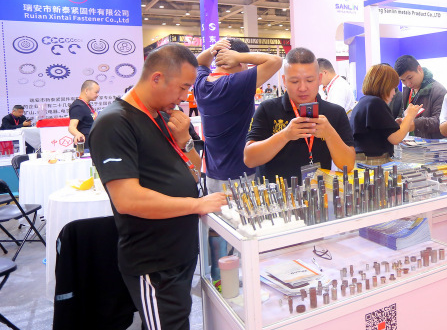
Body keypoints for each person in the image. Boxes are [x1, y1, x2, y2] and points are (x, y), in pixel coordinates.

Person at [88, 43, 227, 329]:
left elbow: (194, 175)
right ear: (156, 78)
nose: (184, 97)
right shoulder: (115, 122)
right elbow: (127, 199)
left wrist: (184, 142)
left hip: (180, 252)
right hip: (154, 261)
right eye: (182, 87)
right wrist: (197, 205)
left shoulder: (164, 115)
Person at [244, 47, 355, 181]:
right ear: (285, 81)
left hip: (317, 191)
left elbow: (348, 165)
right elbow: (249, 159)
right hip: (276, 192)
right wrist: (285, 135)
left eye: (309, 80)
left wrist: (329, 134)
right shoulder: (267, 109)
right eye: (295, 81)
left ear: (319, 79)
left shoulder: (335, 112)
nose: (302, 88)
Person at [194, 38, 282, 193]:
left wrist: (213, 49)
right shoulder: (234, 84)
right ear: (239, 62)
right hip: (241, 175)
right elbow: (276, 61)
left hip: (212, 175)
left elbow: (199, 63)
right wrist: (240, 56)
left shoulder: (201, 84)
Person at [351, 64, 422, 165]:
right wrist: (409, 116)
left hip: (362, 160)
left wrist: (394, 125)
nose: (394, 93)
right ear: (385, 86)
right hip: (373, 161)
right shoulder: (376, 103)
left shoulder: (364, 102)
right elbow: (396, 138)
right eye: (393, 88)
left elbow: (378, 131)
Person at [394, 55, 447, 139]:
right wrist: (401, 121)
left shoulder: (438, 90)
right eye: (403, 80)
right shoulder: (407, 91)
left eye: (410, 78)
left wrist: (415, 124)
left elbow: (441, 122)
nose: (408, 83)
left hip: (433, 144)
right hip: (411, 143)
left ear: (419, 69)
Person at [68, 80, 100, 149]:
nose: (98, 95)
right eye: (96, 92)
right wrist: (78, 134)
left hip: (92, 144)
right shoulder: (78, 106)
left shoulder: (86, 105)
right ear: (87, 90)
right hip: (84, 147)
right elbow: (71, 127)